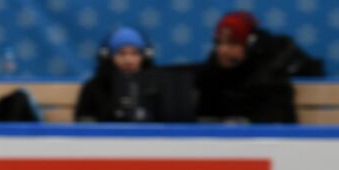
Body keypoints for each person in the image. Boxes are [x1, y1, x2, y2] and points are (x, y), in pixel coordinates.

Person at [195, 10, 324, 123]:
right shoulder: (210, 73)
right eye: (219, 43)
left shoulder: (270, 71)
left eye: (232, 43)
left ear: (249, 44)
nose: (223, 50)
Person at [75, 27, 165, 122]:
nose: (128, 60)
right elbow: (84, 123)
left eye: (135, 53)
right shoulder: (93, 87)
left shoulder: (156, 86)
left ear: (145, 56)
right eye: (121, 53)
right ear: (108, 57)